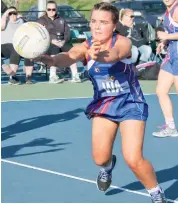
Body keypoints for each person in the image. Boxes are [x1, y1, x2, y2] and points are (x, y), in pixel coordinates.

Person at [35, 3, 166, 202]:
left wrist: (101, 56)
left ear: (114, 26)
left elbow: (116, 54)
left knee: (133, 158)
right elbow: (70, 56)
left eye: (103, 22)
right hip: (104, 104)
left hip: (130, 102)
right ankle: (107, 167)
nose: (96, 26)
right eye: (94, 21)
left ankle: (156, 193)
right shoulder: (87, 45)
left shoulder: (122, 42)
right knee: (99, 158)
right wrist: (51, 60)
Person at [37, 0, 81, 83]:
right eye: (49, 9)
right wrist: (51, 41)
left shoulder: (61, 20)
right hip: (48, 44)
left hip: (62, 42)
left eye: (53, 9)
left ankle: (75, 75)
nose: (51, 11)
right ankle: (52, 76)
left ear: (56, 10)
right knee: (54, 50)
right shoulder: (41, 21)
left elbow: (67, 32)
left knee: (72, 52)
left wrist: (64, 41)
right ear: (46, 10)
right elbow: (39, 34)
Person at [153, 0, 178, 137]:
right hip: (172, 57)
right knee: (161, 90)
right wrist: (164, 42)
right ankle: (171, 127)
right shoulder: (168, 11)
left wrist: (167, 36)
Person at [1, 6, 34, 84]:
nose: (12, 15)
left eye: (14, 13)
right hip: (4, 46)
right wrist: (5, 14)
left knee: (29, 51)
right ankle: (12, 77)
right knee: (15, 49)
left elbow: (30, 29)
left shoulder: (21, 21)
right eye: (10, 13)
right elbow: (1, 27)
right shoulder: (4, 21)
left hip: (18, 46)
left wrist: (22, 17)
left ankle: (28, 77)